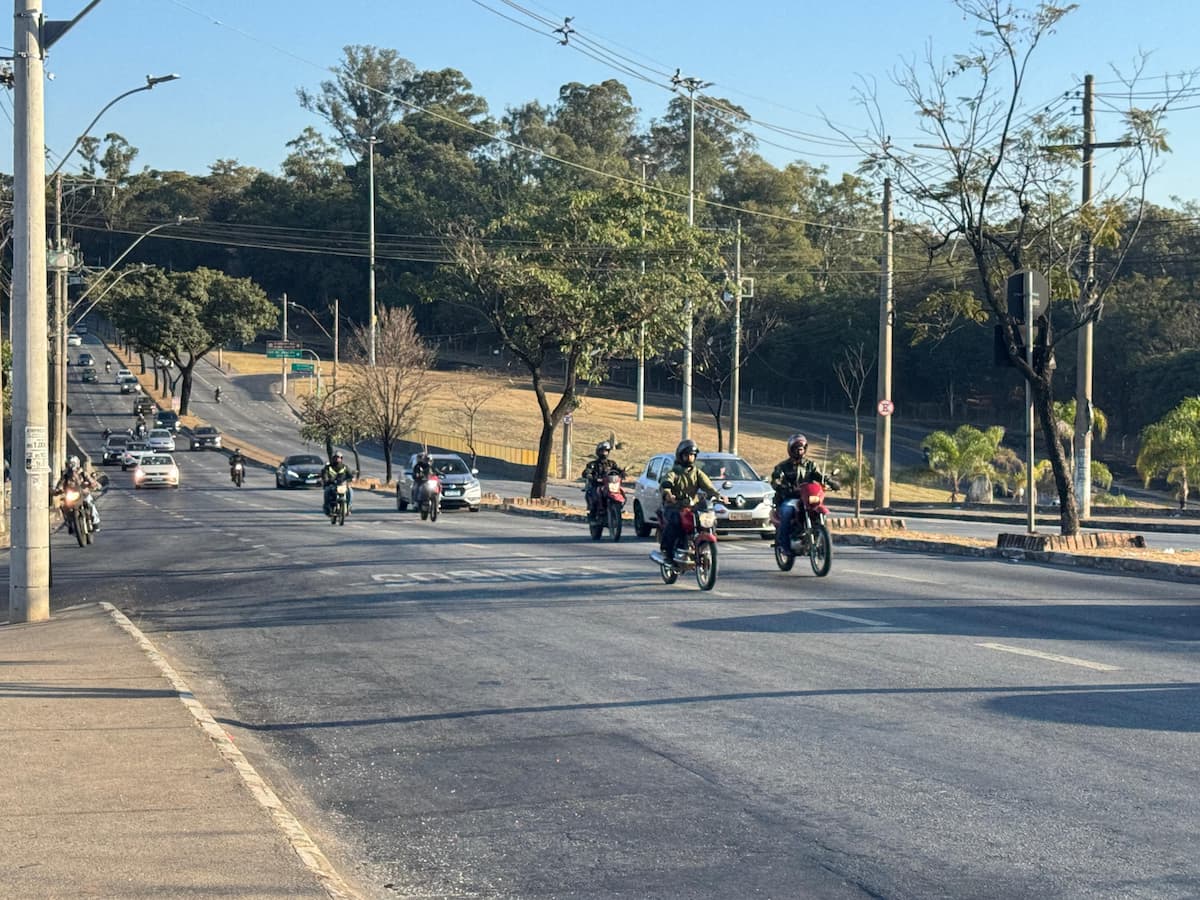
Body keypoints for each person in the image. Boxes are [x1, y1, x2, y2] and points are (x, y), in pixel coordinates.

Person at [658, 439, 719, 561]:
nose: (690, 458)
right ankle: (667, 552)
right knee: (675, 523)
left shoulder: (697, 473)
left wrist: (718, 495)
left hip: (692, 506)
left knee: (709, 520)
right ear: (680, 456)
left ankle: (701, 546)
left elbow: (708, 486)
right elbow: (666, 482)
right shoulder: (674, 472)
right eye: (687, 455)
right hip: (674, 506)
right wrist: (668, 493)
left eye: (692, 455)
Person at [770, 433, 823, 549]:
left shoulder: (811, 465)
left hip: (807, 497)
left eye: (802, 449)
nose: (799, 451)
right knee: (787, 512)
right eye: (797, 449)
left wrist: (830, 482)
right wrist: (783, 487)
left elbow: (820, 476)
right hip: (790, 497)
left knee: (819, 509)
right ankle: (785, 545)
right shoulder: (783, 466)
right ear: (791, 449)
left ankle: (821, 537)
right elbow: (775, 480)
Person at [54, 455, 101, 532]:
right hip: (71, 495)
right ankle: (69, 523)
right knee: (64, 507)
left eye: (72, 463)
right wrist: (58, 490)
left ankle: (96, 523)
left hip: (83, 493)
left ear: (77, 463)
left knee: (90, 503)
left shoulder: (82, 473)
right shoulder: (65, 475)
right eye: (69, 464)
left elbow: (91, 480)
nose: (70, 465)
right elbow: (60, 484)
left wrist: (92, 484)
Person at [581, 441, 625, 520]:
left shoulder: (612, 463)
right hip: (598, 485)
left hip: (609, 485)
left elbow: (617, 470)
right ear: (598, 452)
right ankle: (595, 513)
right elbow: (587, 471)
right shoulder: (593, 464)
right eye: (602, 451)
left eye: (606, 451)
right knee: (597, 493)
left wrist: (622, 473)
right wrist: (589, 475)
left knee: (621, 492)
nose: (604, 453)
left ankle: (617, 508)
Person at [321, 451, 354, 516]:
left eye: (338, 457)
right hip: (331, 485)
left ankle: (349, 507)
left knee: (350, 491)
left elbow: (350, 475)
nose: (337, 459)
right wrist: (326, 479)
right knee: (327, 491)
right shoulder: (328, 467)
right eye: (335, 457)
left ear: (341, 458)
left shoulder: (345, 467)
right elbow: (324, 474)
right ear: (333, 458)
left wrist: (351, 479)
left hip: (342, 485)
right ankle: (327, 507)